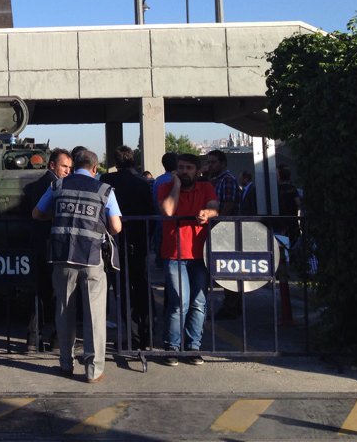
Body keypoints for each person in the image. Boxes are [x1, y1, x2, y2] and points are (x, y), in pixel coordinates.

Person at [33, 149, 122, 383]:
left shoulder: (58, 186)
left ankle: (65, 363)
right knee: (94, 315)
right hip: (92, 259)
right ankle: (94, 370)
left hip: (62, 257)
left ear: (75, 166)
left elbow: (37, 213)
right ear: (95, 168)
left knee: (64, 311)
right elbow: (116, 227)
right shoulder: (104, 190)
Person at [157, 152, 219, 365]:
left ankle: (193, 347)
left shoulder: (206, 187)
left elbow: (214, 207)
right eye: (181, 168)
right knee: (179, 302)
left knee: (198, 302)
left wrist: (207, 214)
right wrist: (175, 185)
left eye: (188, 168)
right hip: (174, 254)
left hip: (200, 254)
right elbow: (167, 211)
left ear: (197, 170)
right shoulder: (166, 188)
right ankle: (172, 347)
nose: (184, 171)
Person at [101, 145, 157, 350]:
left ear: (115, 162)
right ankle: (147, 334)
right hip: (140, 241)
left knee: (122, 290)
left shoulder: (108, 181)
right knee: (143, 287)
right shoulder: (145, 183)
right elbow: (152, 212)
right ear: (133, 160)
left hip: (116, 242)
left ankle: (131, 336)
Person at [22, 148, 72, 351]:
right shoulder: (56, 186)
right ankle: (57, 339)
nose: (67, 171)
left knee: (37, 291)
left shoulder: (34, 185)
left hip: (37, 243)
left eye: (70, 167)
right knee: (56, 293)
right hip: (53, 244)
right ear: (52, 165)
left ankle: (32, 339)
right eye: (64, 166)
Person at [204, 149, 242, 320]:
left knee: (228, 268)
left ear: (223, 163)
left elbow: (228, 205)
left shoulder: (227, 180)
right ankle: (231, 305)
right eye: (209, 162)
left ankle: (231, 306)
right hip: (221, 229)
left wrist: (217, 225)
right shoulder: (216, 180)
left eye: (213, 162)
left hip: (225, 230)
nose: (210, 165)